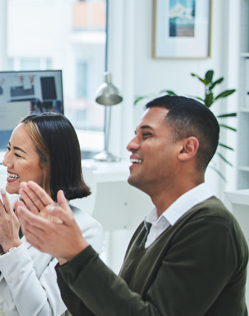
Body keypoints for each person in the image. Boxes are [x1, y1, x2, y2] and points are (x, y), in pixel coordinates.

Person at [18, 95, 248, 315]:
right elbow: (104, 310)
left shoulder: (211, 226)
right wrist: (65, 257)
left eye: (146, 135)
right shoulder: (153, 225)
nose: (130, 145)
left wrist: (77, 253)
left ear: (187, 149)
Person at [0, 113, 103, 316]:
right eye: (8, 149)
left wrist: (11, 246)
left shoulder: (85, 232)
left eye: (18, 155)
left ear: (49, 164)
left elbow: (42, 313)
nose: (5, 161)